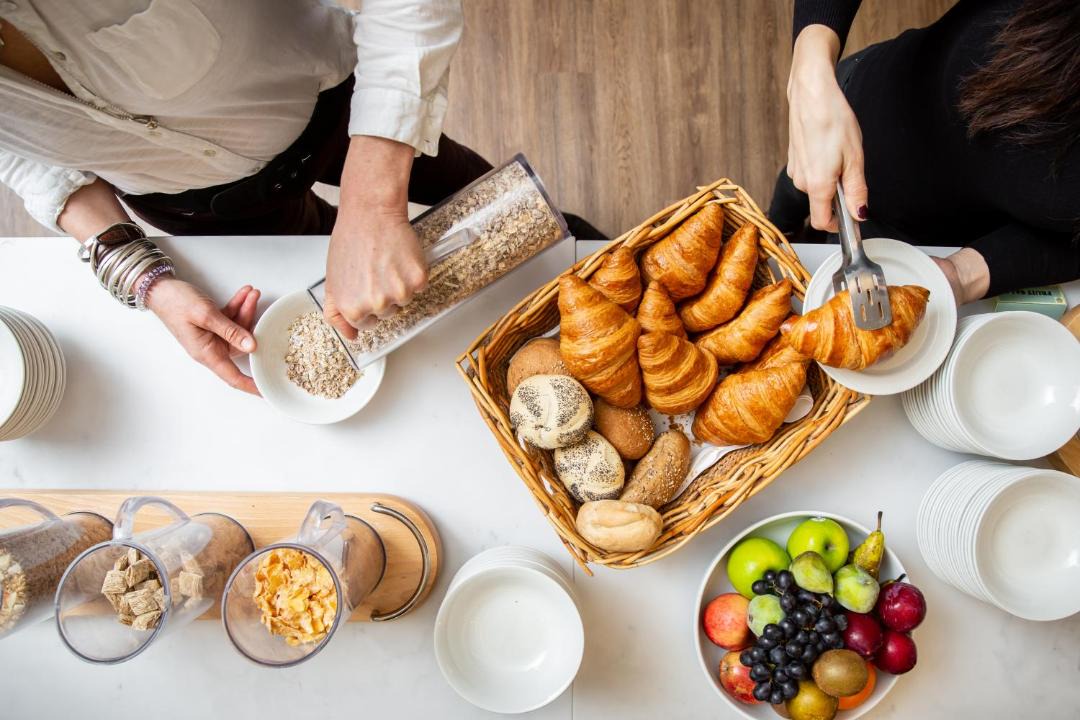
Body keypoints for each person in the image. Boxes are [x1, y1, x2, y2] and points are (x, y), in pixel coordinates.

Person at [0, 1, 600, 394]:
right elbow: (20, 151)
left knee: (499, 210)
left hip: (341, 109)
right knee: (344, 298)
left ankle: (593, 255)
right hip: (190, 203)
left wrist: (373, 201)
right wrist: (139, 274)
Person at [771, 0, 1080, 304]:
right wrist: (810, 66)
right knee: (793, 188)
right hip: (861, 110)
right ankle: (777, 223)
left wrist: (963, 272)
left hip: (930, 239)